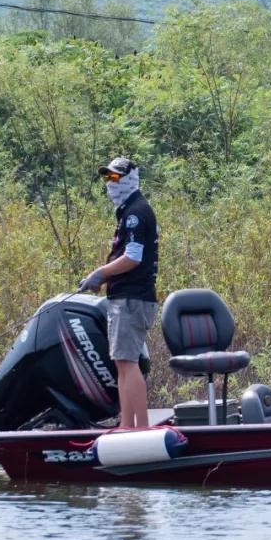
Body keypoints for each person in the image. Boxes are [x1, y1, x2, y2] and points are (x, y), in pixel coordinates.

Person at [78, 157, 159, 428]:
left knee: (127, 362)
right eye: (107, 178)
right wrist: (104, 279)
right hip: (127, 297)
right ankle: (131, 424)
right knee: (124, 362)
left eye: (115, 178)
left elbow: (133, 257)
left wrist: (100, 272)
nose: (110, 183)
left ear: (130, 179)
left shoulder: (135, 212)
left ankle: (135, 427)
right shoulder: (129, 211)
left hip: (132, 300)